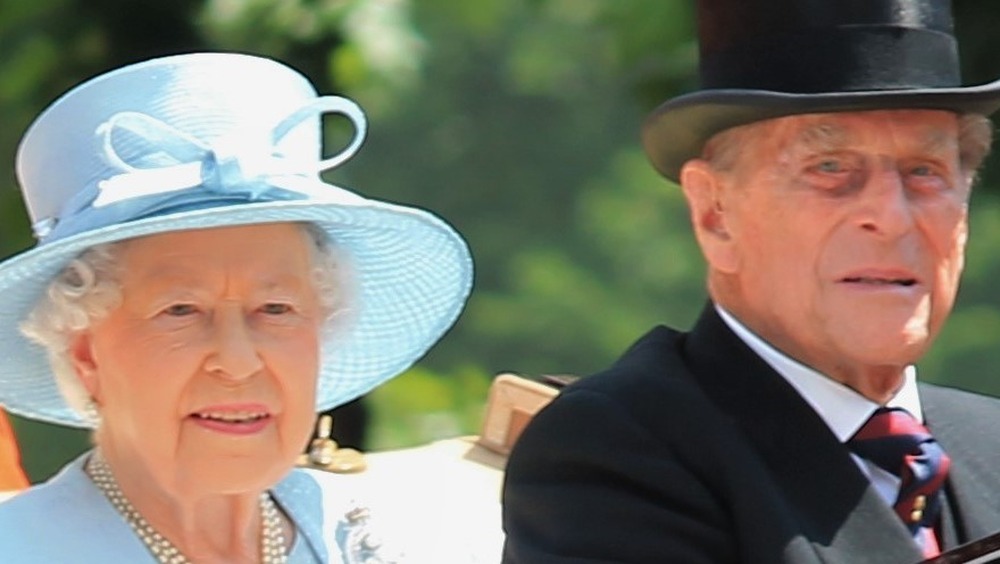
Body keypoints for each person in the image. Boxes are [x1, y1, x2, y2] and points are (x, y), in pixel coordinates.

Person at [502, 1, 1000, 562]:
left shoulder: (992, 442)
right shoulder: (614, 457)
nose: (892, 215)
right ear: (715, 213)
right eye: (830, 168)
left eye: (924, 172)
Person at [0, 52, 473, 562]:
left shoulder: (393, 537)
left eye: (275, 308)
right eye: (181, 310)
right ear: (86, 353)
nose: (238, 361)